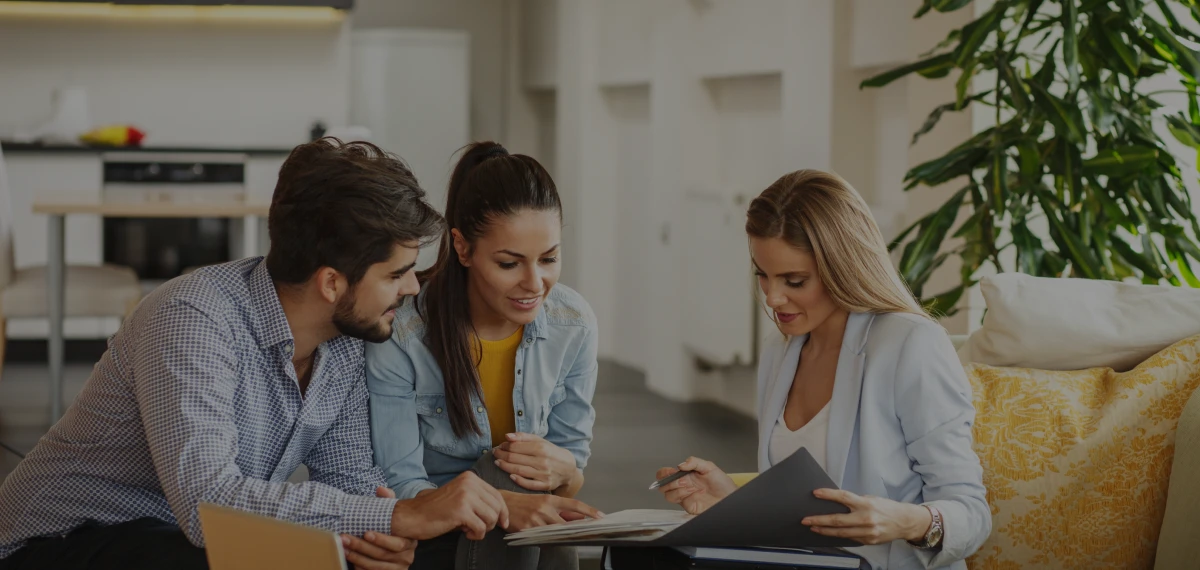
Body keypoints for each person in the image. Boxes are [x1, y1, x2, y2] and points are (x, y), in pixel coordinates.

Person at [0, 138, 511, 570]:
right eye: (396, 274)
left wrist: (380, 537)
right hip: (57, 544)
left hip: (171, 538)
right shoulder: (192, 318)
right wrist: (397, 517)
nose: (410, 291)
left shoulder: (348, 344)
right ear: (331, 282)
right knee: (245, 556)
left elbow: (352, 484)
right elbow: (209, 505)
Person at [654, 170, 990, 569]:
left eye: (794, 280)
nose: (773, 297)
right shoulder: (780, 352)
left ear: (842, 266)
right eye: (763, 275)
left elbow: (972, 514)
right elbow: (805, 510)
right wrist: (731, 499)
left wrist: (906, 522)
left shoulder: (910, 345)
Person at [366, 142, 601, 570]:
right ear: (462, 247)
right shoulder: (402, 331)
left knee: (528, 477)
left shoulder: (574, 323)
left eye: (549, 258)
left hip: (526, 540)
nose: (535, 283)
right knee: (503, 469)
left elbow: (570, 478)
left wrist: (564, 470)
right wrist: (505, 503)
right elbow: (401, 484)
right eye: (510, 263)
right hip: (434, 537)